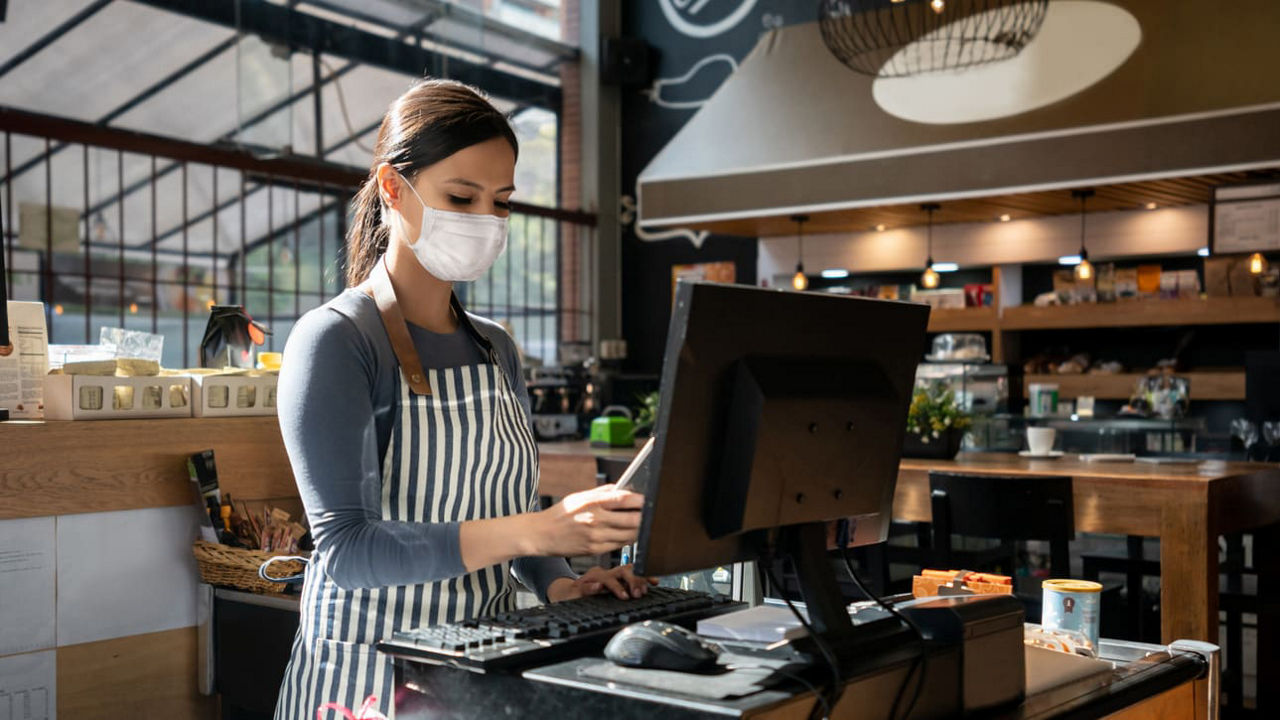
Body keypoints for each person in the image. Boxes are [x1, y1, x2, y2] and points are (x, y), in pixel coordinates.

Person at [274, 79, 649, 719]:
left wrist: (562, 581)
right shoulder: (336, 341)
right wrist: (539, 530)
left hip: (481, 668)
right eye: (461, 196)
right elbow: (349, 550)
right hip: (369, 677)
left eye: (500, 202)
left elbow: (512, 514)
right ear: (393, 189)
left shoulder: (496, 349)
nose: (485, 220)